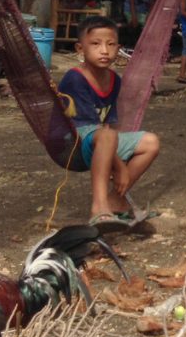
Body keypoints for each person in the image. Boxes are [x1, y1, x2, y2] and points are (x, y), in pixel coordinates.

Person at [58, 16, 160, 229]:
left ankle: (115, 201)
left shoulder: (114, 80)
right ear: (80, 48)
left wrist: (116, 159)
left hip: (102, 141)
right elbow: (91, 130)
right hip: (73, 146)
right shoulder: (75, 79)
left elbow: (109, 125)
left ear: (118, 48)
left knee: (151, 142)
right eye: (95, 44)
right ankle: (99, 207)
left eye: (111, 44)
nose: (104, 50)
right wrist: (120, 166)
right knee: (106, 136)